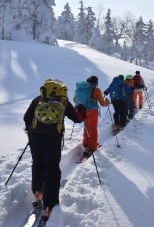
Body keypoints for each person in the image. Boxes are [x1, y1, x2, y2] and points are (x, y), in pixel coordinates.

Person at [23, 78, 86, 223]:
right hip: (53, 137)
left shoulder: (38, 99)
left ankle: (38, 194)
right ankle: (48, 206)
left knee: (37, 164)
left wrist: (30, 130)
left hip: (35, 136)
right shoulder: (64, 102)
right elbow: (77, 118)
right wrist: (82, 109)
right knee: (52, 170)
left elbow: (26, 117)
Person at [79, 75, 110, 158]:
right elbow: (102, 103)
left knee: (86, 127)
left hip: (83, 111)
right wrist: (108, 103)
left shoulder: (82, 88)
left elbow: (75, 99)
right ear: (96, 83)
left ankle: (85, 143)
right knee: (92, 128)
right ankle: (92, 147)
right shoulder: (96, 90)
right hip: (93, 111)